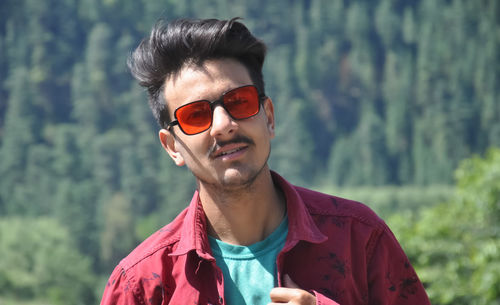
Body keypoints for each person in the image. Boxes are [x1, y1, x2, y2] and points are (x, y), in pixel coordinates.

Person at [100, 17, 430, 305]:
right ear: (172, 146)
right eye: (196, 115)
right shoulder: (142, 284)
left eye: (239, 102)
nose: (224, 124)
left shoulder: (358, 239)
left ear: (268, 117)